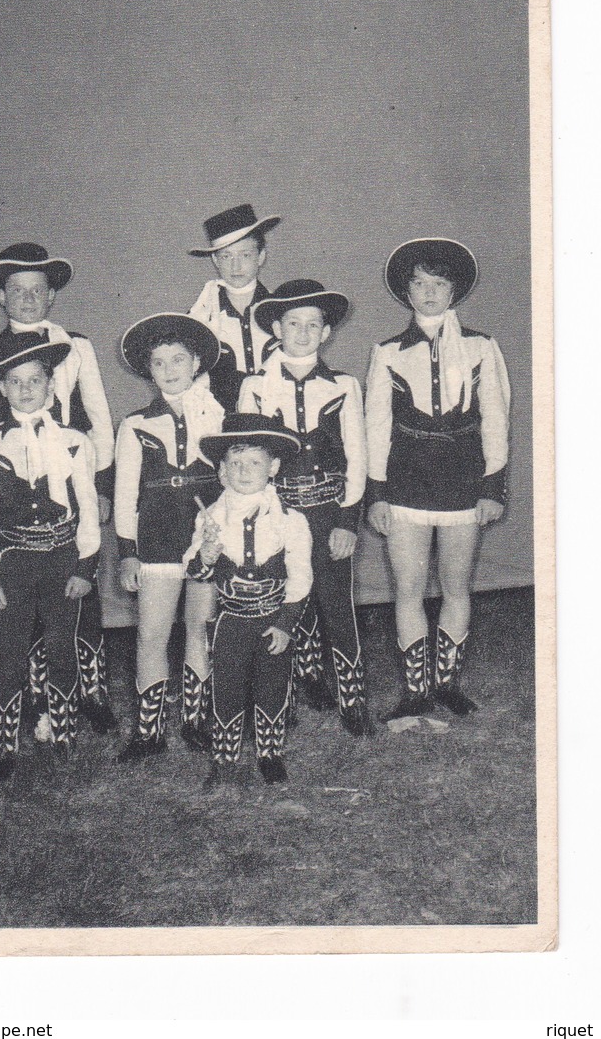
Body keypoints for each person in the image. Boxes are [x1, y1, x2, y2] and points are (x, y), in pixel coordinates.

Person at [0, 243, 116, 734]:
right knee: (21, 603)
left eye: (38, 291)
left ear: (50, 297)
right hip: (14, 488)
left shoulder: (77, 345)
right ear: (2, 296)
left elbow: (96, 416)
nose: (27, 299)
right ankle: (32, 696)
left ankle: (88, 693)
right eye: (17, 290)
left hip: (70, 480)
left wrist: (100, 481)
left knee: (78, 596)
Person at [365, 239, 510, 719]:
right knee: (407, 587)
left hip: (463, 485)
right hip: (406, 484)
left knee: (455, 585)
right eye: (420, 284)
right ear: (407, 292)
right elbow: (377, 428)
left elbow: (495, 418)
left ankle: (446, 684)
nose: (429, 293)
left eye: (439, 284)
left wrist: (492, 487)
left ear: (455, 292)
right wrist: (377, 495)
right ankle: (415, 692)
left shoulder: (481, 347)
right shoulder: (386, 352)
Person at [0, 337, 101, 781]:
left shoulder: (75, 441)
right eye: (15, 381)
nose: (26, 390)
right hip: (15, 562)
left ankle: (63, 734)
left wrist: (85, 567)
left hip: (62, 558)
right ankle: (2, 744)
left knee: (63, 647)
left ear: (50, 382)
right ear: (2, 388)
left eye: (35, 379)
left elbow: (84, 508)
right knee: (11, 652)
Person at [239, 280, 369, 736]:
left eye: (312, 324)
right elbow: (249, 457)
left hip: (327, 509)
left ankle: (353, 702)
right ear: (276, 327)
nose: (302, 332)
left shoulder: (344, 385)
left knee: (336, 602)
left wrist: (347, 520)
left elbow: (357, 455)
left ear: (326, 332)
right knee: (282, 601)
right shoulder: (255, 386)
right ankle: (285, 694)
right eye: (293, 323)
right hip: (280, 513)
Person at [114, 314, 225, 763]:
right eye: (159, 363)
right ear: (149, 370)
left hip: (204, 539)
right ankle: (149, 731)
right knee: (152, 633)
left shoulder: (220, 415)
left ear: (197, 362)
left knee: (201, 627)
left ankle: (197, 720)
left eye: (179, 359)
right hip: (157, 539)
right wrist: (127, 554)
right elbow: (125, 497)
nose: (170, 369)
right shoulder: (137, 424)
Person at [184, 414, 312, 787]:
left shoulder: (291, 519)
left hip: (273, 619)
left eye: (254, 462)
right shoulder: (209, 517)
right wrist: (206, 555)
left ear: (272, 467)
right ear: (221, 472)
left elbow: (301, 576)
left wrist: (286, 625)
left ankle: (270, 755)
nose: (244, 471)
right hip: (232, 620)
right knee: (227, 685)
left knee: (272, 685)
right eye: (234, 463)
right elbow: (196, 572)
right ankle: (224, 759)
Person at [188, 203, 281, 411]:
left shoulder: (281, 310)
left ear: (261, 256)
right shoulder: (201, 316)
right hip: (222, 425)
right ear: (215, 260)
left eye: (245, 255)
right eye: (226, 256)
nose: (235, 266)